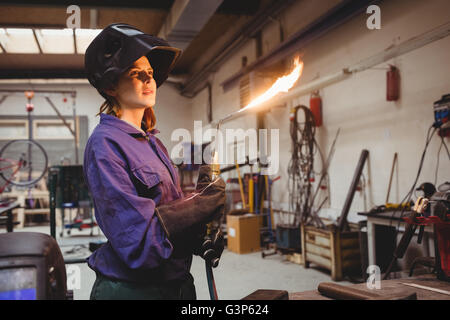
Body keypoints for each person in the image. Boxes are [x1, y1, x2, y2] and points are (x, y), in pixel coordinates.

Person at [83, 23, 226, 300]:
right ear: (111, 85)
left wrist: (199, 236)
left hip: (178, 285)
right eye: (137, 74)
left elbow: (166, 210)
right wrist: (199, 206)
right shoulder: (105, 145)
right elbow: (138, 243)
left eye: (150, 73)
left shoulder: (152, 142)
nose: (149, 80)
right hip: (135, 291)